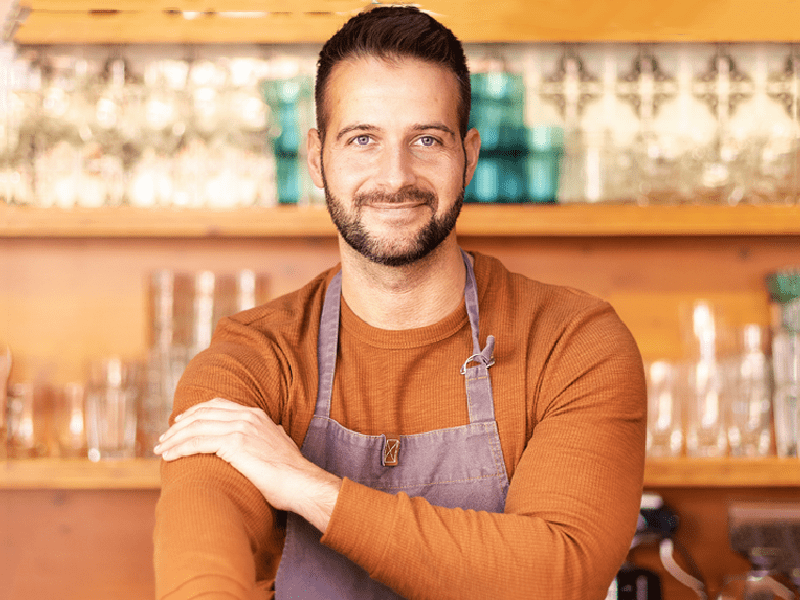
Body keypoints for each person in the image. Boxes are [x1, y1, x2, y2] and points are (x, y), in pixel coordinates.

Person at [153, 6, 646, 600]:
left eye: (426, 140)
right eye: (363, 139)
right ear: (316, 158)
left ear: (468, 156)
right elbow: (199, 573)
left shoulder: (573, 341)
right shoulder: (251, 360)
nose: (395, 175)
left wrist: (306, 485)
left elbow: (555, 573)